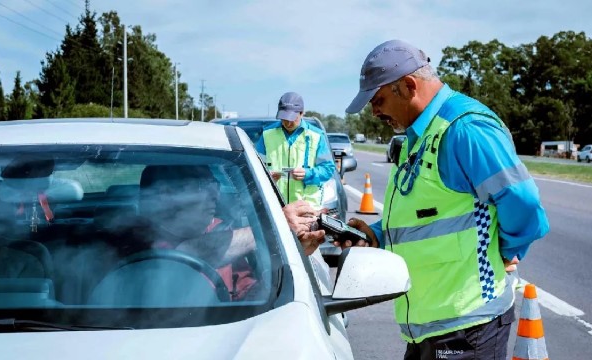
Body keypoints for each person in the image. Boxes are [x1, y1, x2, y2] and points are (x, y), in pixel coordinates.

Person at [339, 39, 550, 359]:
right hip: (429, 326)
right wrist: (377, 233)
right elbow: (429, 212)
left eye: (378, 99)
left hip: (468, 328)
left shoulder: (464, 129)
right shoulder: (418, 134)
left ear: (408, 86)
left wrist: (505, 252)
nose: (374, 111)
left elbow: (523, 201)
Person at [130, 165, 326, 300]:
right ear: (165, 194)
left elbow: (250, 297)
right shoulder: (129, 239)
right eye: (202, 186)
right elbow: (185, 253)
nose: (215, 195)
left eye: (215, 186)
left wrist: (288, 262)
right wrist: (275, 227)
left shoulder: (220, 230)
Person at [256, 92, 336, 208]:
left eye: (292, 118)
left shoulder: (317, 136)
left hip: (307, 208)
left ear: (302, 113)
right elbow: (256, 167)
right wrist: (267, 175)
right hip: (275, 207)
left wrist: (308, 174)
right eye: (284, 118)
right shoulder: (267, 134)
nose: (287, 123)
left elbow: (328, 169)